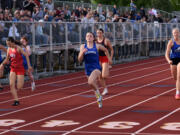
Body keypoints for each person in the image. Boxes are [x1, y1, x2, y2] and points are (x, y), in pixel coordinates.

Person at [78, 32, 112, 108]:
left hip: (96, 68)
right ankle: (98, 96)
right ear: (85, 38)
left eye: (90, 36)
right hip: (88, 69)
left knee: (90, 81)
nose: (89, 37)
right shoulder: (83, 46)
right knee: (92, 84)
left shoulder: (97, 46)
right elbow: (79, 60)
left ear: (93, 38)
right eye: (87, 36)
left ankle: (99, 96)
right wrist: (82, 53)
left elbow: (106, 50)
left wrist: (109, 58)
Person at [0, 37, 32, 106]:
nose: (8, 45)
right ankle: (16, 100)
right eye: (7, 44)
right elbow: (7, 59)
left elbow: (26, 55)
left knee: (19, 87)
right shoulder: (9, 49)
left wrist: (29, 66)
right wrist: (2, 64)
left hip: (20, 68)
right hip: (13, 68)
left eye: (9, 44)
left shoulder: (18, 48)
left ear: (12, 42)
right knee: (11, 85)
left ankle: (20, 85)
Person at [96, 28, 114, 95]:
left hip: (105, 58)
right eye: (97, 33)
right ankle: (105, 89)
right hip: (98, 59)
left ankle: (106, 69)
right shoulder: (95, 40)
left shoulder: (106, 40)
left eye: (100, 33)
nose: (99, 34)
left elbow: (112, 50)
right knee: (99, 76)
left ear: (102, 33)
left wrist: (110, 58)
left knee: (104, 76)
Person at [165, 28, 180, 100]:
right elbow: (166, 53)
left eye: (177, 32)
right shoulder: (171, 42)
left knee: (178, 76)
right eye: (174, 33)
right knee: (175, 77)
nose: (176, 34)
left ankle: (177, 93)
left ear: (179, 33)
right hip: (173, 60)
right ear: (172, 34)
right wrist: (168, 60)